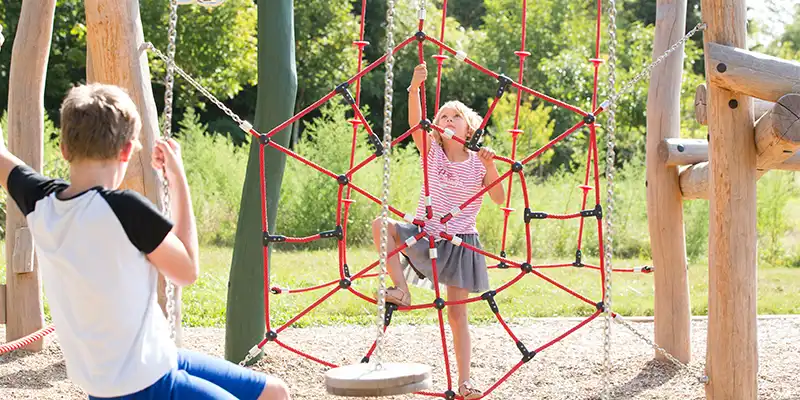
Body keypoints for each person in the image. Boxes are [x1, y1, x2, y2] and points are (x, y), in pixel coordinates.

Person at [0, 73, 290, 399]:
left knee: (273, 392)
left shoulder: (40, 202)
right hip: (146, 385)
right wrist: (177, 177)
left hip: (141, 370)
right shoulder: (125, 210)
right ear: (126, 152)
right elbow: (187, 270)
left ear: (65, 149)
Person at [371, 63, 505, 399]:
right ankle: (401, 290)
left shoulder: (478, 161)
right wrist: (414, 87)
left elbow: (501, 199)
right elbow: (416, 122)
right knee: (381, 225)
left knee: (457, 315)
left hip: (460, 243)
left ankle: (465, 381)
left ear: (470, 126)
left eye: (454, 116)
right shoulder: (431, 152)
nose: (446, 121)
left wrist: (490, 165)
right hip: (425, 235)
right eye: (442, 116)